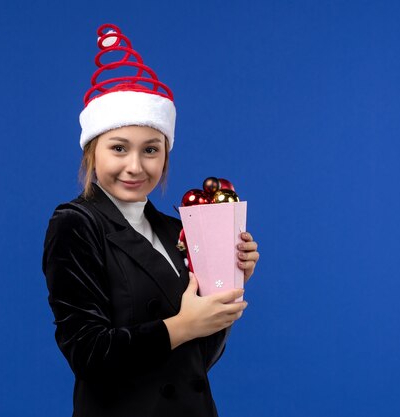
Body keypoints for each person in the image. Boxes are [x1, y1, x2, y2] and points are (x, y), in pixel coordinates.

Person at [43, 24, 260, 417]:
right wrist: (183, 326)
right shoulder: (76, 224)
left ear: (165, 155)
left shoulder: (172, 228)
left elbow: (196, 360)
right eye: (119, 148)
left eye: (151, 150)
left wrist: (231, 283)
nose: (135, 166)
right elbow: (88, 354)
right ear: (93, 152)